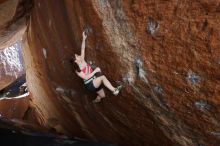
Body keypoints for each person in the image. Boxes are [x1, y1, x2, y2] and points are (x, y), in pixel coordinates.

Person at [73, 31, 122, 103]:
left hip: (94, 80)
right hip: (90, 84)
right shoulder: (77, 70)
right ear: (75, 61)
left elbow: (83, 49)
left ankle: (97, 99)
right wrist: (95, 71)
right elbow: (86, 77)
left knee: (103, 95)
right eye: (76, 56)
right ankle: (114, 90)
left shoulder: (82, 59)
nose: (78, 55)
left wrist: (83, 38)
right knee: (102, 77)